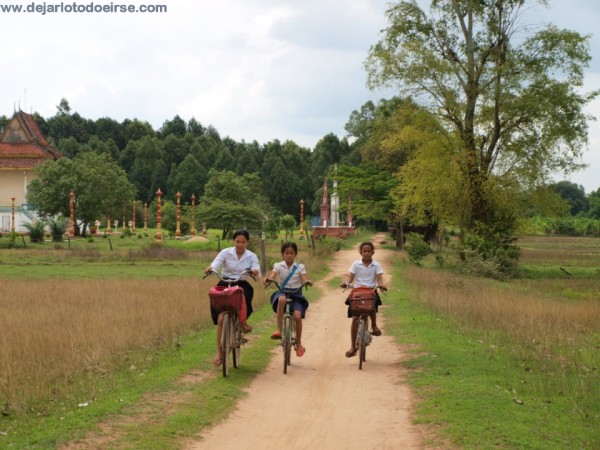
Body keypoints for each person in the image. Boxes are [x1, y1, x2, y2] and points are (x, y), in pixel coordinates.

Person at [204, 229, 260, 366]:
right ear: (233, 241)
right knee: (221, 317)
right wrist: (210, 268)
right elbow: (216, 265)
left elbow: (258, 276)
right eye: (237, 241)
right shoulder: (225, 252)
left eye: (243, 242)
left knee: (242, 294)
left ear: (247, 242)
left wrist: (254, 272)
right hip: (226, 282)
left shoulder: (252, 256)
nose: (240, 244)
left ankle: (242, 322)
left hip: (241, 284)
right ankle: (219, 351)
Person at [264, 242, 312, 357]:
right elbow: (273, 275)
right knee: (281, 299)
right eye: (287, 253)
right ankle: (279, 330)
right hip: (283, 291)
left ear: (295, 254)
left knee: (297, 316)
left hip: (296, 294)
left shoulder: (300, 267)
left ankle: (299, 342)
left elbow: (304, 277)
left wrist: (307, 281)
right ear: (282, 254)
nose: (289, 255)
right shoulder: (278, 266)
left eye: (291, 253)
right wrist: (269, 279)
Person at [340, 241, 387, 358]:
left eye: (369, 251)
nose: (366, 253)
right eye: (364, 251)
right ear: (360, 252)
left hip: (371, 290)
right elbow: (350, 278)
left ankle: (374, 325)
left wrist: (381, 285)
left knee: (372, 306)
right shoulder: (356, 264)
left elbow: (379, 279)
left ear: (373, 253)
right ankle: (352, 346)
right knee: (355, 318)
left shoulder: (376, 265)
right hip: (357, 292)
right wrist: (347, 283)